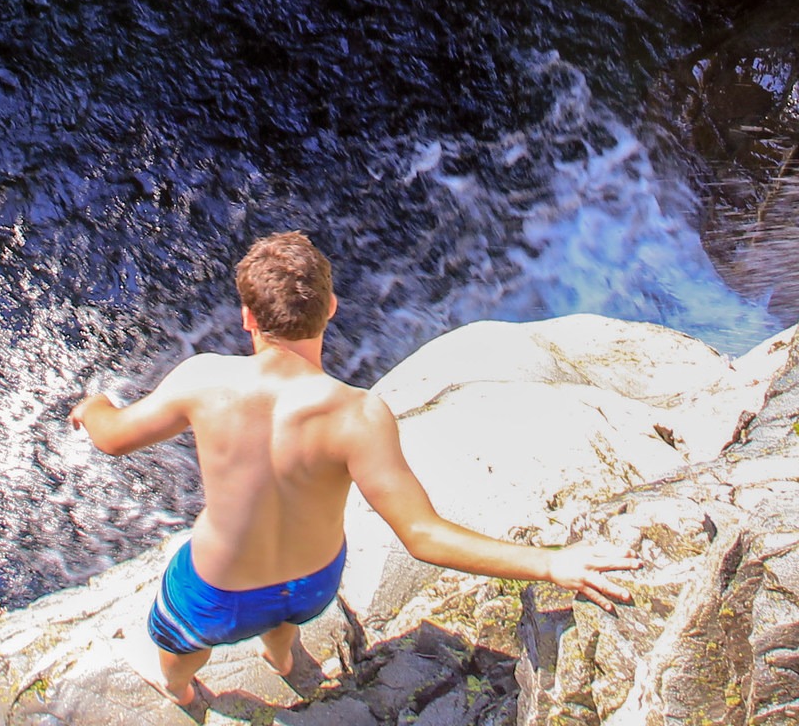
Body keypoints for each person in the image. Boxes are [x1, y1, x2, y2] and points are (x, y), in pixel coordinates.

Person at [67, 231, 642, 707]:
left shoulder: (204, 380)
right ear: (332, 307)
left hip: (218, 594)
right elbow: (422, 535)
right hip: (312, 583)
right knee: (285, 607)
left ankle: (181, 694)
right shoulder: (360, 415)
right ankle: (284, 654)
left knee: (177, 645)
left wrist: (93, 408)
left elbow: (115, 440)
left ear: (247, 318)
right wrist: (552, 564)